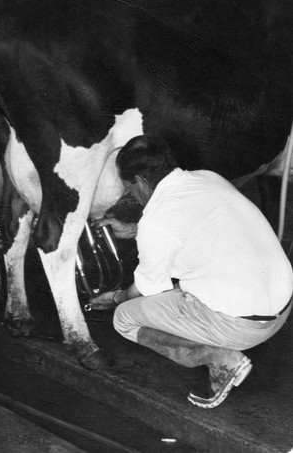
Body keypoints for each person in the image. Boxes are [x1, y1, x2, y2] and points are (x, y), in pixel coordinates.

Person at [91, 135, 293, 409]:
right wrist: (134, 231)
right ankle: (220, 344)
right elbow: (191, 230)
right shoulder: (207, 178)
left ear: (138, 181)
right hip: (281, 308)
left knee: (125, 318)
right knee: (186, 284)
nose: (130, 195)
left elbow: (148, 290)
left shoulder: (156, 222)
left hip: (244, 327)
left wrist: (115, 298)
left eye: (128, 187)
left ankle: (219, 357)